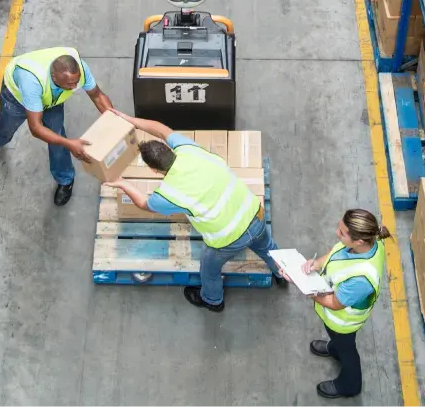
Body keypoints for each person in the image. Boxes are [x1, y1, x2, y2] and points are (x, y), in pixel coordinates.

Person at [104, 111, 285, 311]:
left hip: (230, 239)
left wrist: (121, 182)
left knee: (209, 268)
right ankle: (282, 274)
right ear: (169, 149)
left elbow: (143, 204)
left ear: (154, 171)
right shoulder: (188, 148)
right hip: (255, 214)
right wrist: (130, 120)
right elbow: (161, 129)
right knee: (268, 247)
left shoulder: (168, 194)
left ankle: (212, 300)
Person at [0, 47, 113, 206]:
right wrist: (71, 144)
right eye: (70, 84)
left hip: (51, 98)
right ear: (54, 76)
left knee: (57, 136)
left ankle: (65, 180)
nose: (75, 86)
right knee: (6, 126)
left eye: (76, 82)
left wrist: (116, 120)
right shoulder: (32, 81)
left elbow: (97, 95)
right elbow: (35, 128)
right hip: (18, 98)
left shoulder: (80, 70)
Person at [291, 209, 390, 400]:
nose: (337, 233)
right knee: (338, 343)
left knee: (348, 352)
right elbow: (334, 253)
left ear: (359, 241)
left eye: (342, 232)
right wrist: (315, 264)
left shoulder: (361, 279)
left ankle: (350, 385)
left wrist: (304, 287)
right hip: (334, 321)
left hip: (342, 323)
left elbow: (335, 303)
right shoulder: (366, 243)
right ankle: (334, 348)